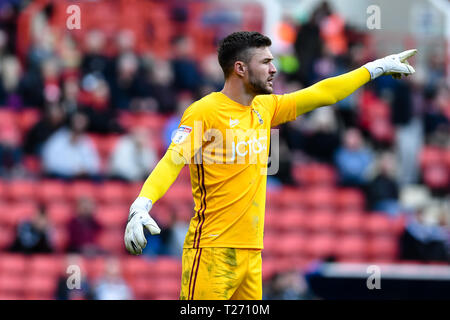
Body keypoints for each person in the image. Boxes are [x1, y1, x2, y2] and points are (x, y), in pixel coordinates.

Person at [123, 31, 417, 300]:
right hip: (212, 251)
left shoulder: (265, 107)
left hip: (252, 254)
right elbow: (172, 161)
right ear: (240, 68)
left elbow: (323, 94)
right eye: (265, 62)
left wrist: (374, 68)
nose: (274, 69)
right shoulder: (204, 112)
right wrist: (142, 204)